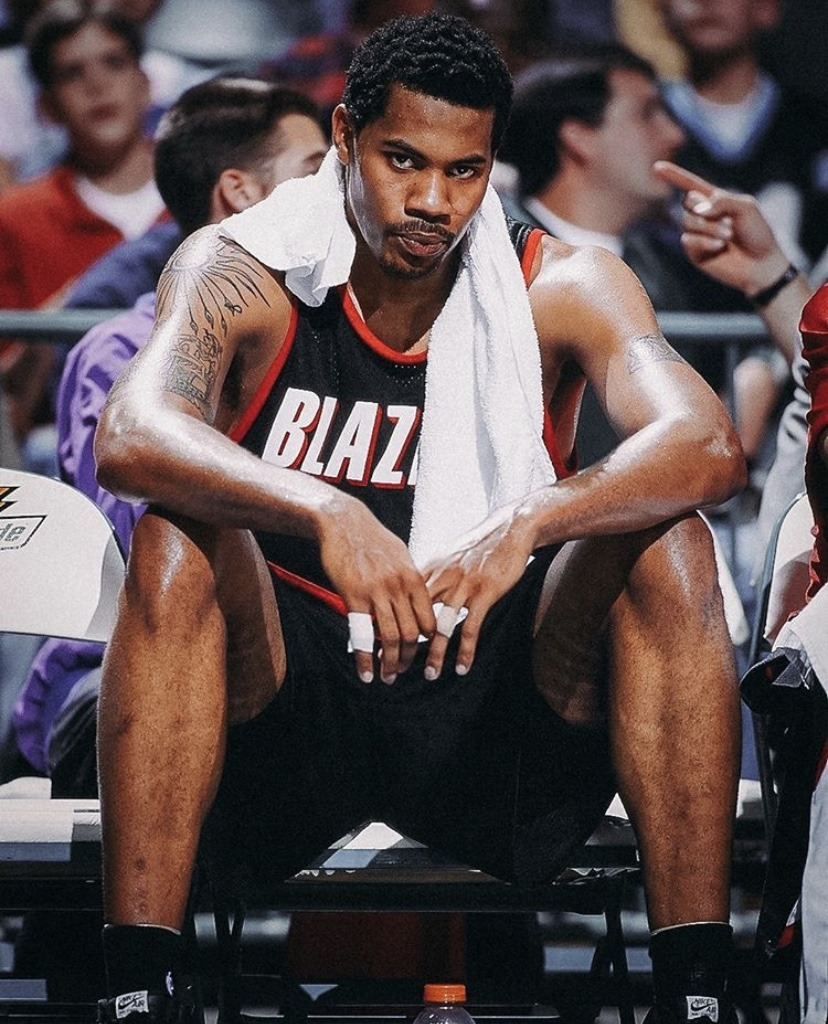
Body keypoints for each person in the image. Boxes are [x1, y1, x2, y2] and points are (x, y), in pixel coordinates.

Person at [92, 13, 746, 1023]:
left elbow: (706, 445)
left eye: (464, 170)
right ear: (345, 136)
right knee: (175, 535)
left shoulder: (562, 282)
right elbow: (130, 434)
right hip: (294, 706)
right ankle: (140, 987)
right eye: (403, 161)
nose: (434, 201)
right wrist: (324, 506)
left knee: (668, 538)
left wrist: (531, 519)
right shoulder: (244, 267)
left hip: (487, 702)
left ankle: (697, 992)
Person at [7, 74, 327, 794]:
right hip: (121, 670)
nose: (338, 196)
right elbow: (149, 544)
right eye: (314, 172)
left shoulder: (332, 338)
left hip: (298, 662)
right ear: (239, 192)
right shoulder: (122, 352)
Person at [0, 0, 166, 473]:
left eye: (114, 63)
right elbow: (9, 409)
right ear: (46, 107)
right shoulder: (15, 218)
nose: (98, 85)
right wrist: (66, 309)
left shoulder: (210, 194)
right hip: (64, 456)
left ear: (145, 83)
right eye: (72, 73)